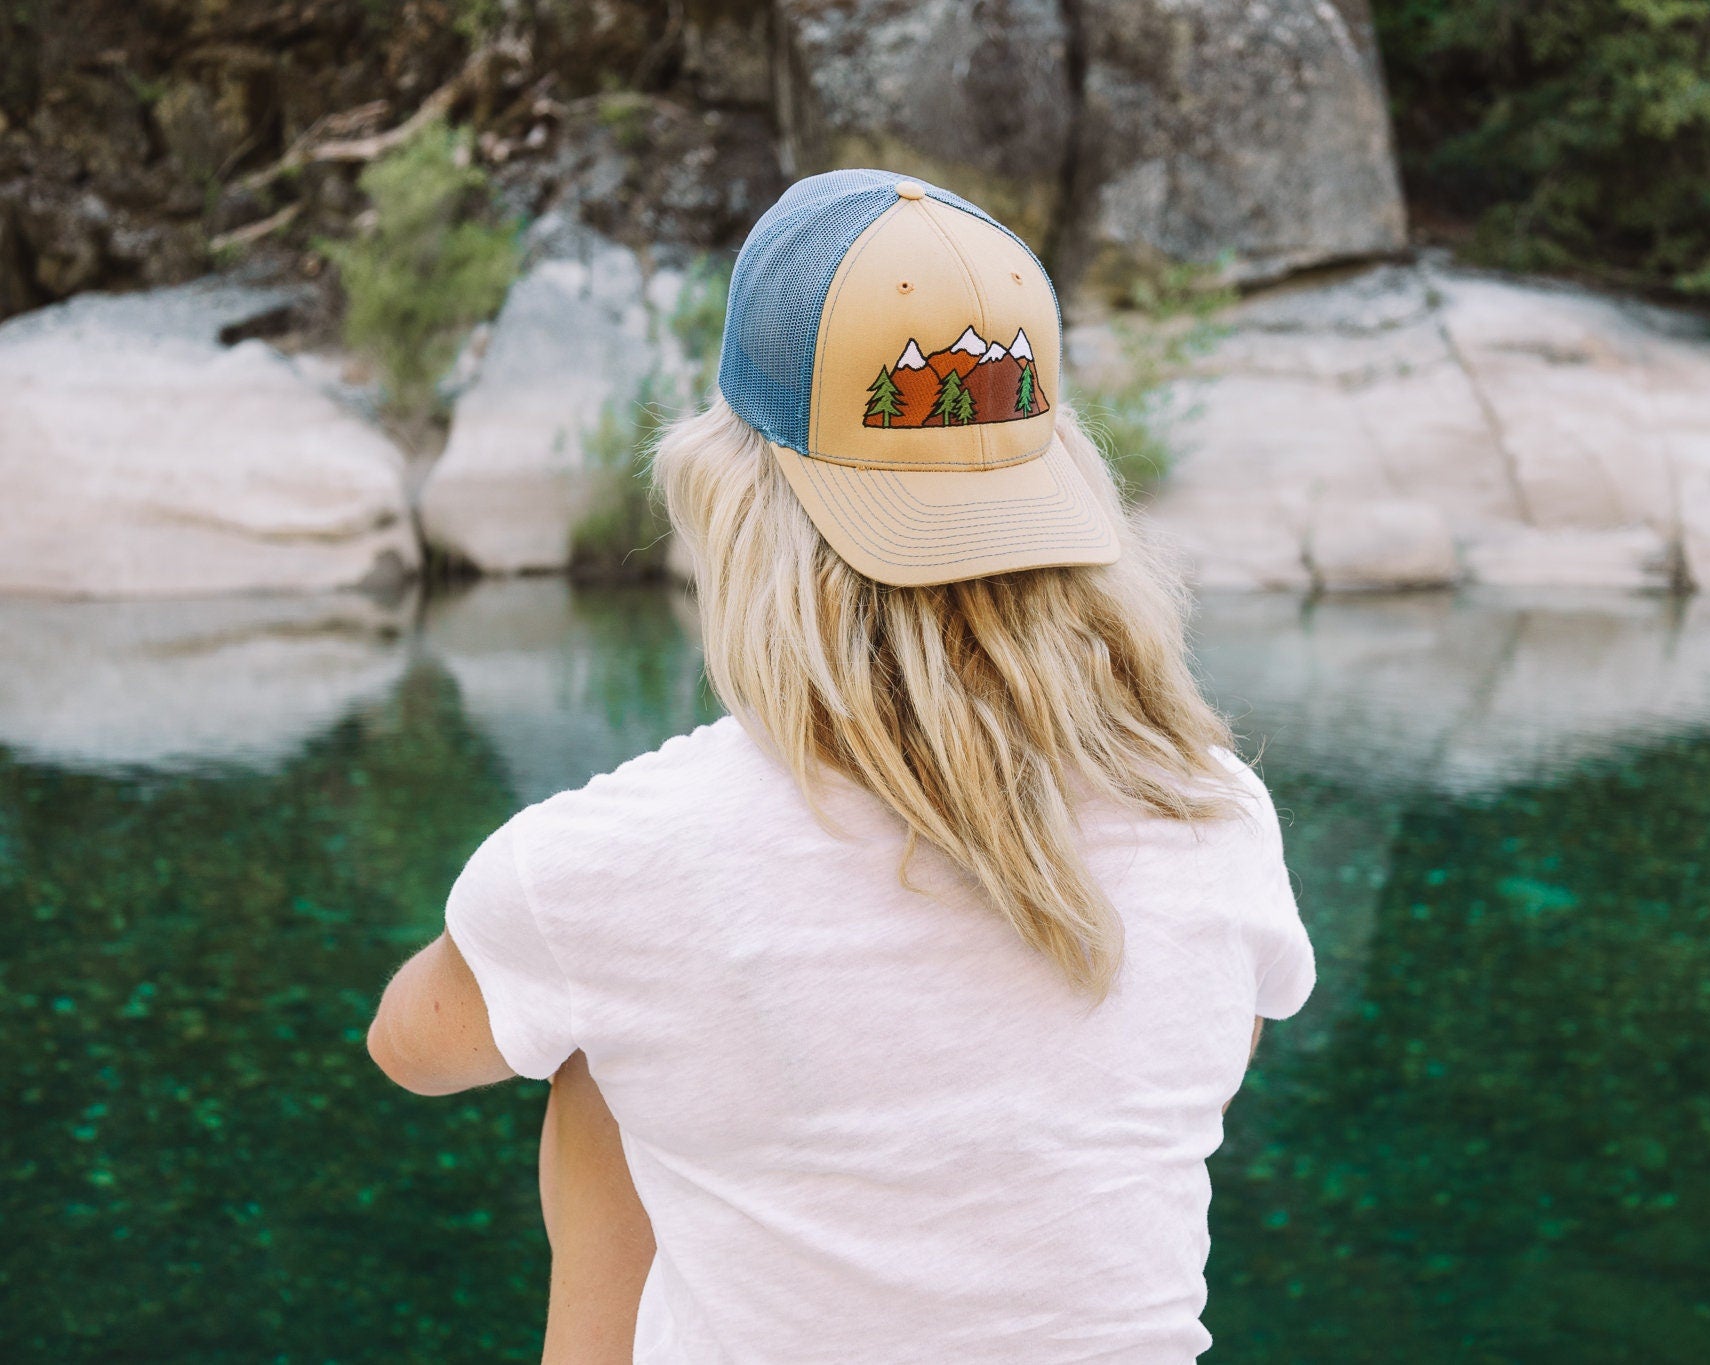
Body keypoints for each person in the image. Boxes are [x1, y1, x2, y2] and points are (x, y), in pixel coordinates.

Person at [367, 169, 1315, 1364]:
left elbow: (411, 1046)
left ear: (735, 492)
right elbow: (1203, 1055)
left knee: (598, 1065)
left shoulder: (614, 863)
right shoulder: (1212, 812)